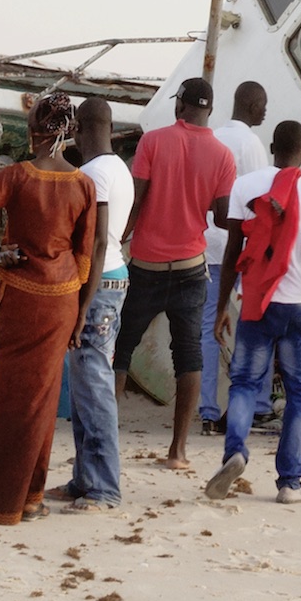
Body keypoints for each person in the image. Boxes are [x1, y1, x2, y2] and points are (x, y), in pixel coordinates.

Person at [0, 91, 105, 526]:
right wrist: (77, 312)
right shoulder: (83, 184)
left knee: (6, 397)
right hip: (61, 302)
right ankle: (32, 498)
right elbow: (84, 257)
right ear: (70, 132)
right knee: (42, 401)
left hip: (20, 297)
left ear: (35, 131)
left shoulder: (16, 176)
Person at [204, 120, 301, 504]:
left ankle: (235, 454)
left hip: (256, 302)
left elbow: (232, 253)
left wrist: (223, 305)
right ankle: (290, 483)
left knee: (244, 383)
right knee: (299, 393)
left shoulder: (245, 185)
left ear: (272, 146)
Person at [113, 76, 237, 475]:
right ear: (210, 111)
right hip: (190, 269)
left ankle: (107, 440)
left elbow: (137, 199)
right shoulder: (223, 155)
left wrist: (117, 237)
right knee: (189, 357)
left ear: (179, 104)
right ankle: (177, 451)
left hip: (146, 266)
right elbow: (221, 216)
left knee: (122, 349)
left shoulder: (153, 141)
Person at [53, 96, 134, 510]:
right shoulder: (119, 168)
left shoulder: (93, 174)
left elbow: (98, 240)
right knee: (85, 386)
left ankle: (103, 487)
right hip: (113, 278)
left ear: (79, 129)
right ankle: (84, 479)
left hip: (98, 285)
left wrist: (82, 303)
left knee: (95, 385)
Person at [199, 80, 268, 434]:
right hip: (236, 243)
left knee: (209, 326)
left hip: (205, 242)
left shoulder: (212, 137)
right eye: (264, 106)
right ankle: (257, 405)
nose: (266, 112)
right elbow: (257, 200)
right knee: (253, 323)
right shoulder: (250, 144)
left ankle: (207, 409)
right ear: (253, 106)